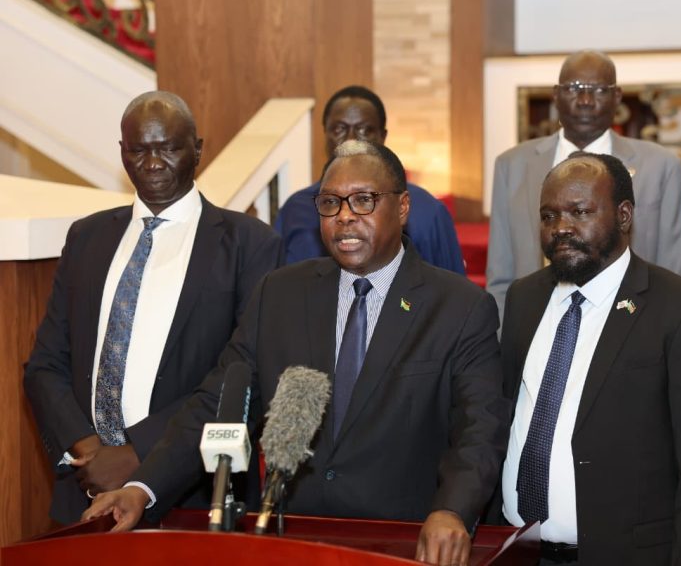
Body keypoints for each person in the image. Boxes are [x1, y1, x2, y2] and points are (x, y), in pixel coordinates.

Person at [84, 140, 509, 566]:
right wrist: (143, 488)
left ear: (401, 208)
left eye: (363, 200)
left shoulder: (459, 307)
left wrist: (453, 510)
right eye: (330, 203)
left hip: (403, 543)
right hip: (297, 541)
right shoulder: (279, 294)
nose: (344, 216)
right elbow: (217, 403)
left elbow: (480, 430)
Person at [23, 91, 283, 524]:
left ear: (197, 149)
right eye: (139, 150)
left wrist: (138, 454)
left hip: (193, 496)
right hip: (85, 492)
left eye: (168, 148)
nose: (153, 163)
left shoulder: (250, 244)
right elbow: (45, 364)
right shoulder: (86, 237)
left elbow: (242, 375)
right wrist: (90, 451)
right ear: (121, 152)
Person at [491, 152, 681, 565]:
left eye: (580, 211)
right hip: (517, 551)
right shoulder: (524, 297)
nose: (561, 227)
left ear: (624, 216)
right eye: (549, 216)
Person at [487, 50, 681, 320]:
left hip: (629, 323)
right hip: (538, 321)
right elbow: (500, 276)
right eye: (574, 88)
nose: (585, 100)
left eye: (598, 90)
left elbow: (674, 274)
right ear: (556, 95)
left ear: (617, 96)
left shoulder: (661, 167)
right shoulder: (512, 166)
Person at [275, 85, 466, 275]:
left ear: (383, 136)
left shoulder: (427, 210)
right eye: (339, 129)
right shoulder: (295, 209)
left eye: (364, 130)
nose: (351, 139)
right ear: (325, 134)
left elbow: (452, 287)